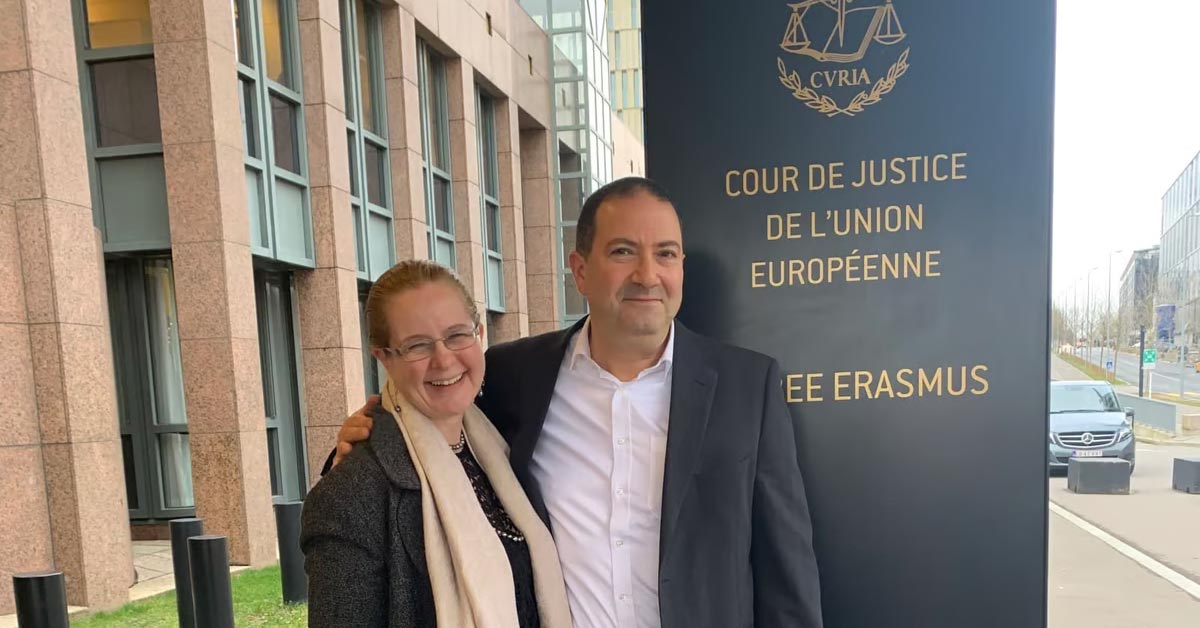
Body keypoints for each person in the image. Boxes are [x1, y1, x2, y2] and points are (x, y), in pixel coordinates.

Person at [325, 177, 823, 628]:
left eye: (667, 254)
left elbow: (786, 574)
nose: (648, 274)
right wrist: (360, 439)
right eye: (624, 252)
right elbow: (427, 431)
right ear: (580, 270)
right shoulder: (513, 377)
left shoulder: (748, 386)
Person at [300, 260, 572, 628]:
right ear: (383, 356)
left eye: (457, 335)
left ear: (478, 334)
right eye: (417, 345)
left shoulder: (499, 447)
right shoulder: (351, 496)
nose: (444, 360)